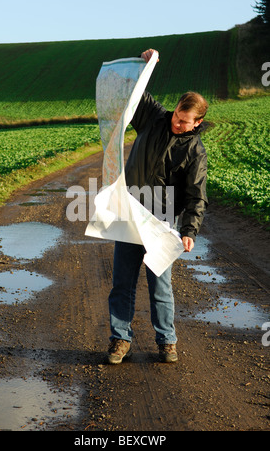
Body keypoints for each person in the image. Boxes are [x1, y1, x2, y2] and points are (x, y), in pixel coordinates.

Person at [107, 49, 209, 364]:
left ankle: (167, 342)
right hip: (129, 212)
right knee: (122, 282)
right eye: (176, 115)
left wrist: (189, 229)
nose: (176, 122)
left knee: (160, 285)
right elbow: (131, 91)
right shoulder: (153, 118)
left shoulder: (195, 151)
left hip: (161, 220)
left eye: (183, 121)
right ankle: (120, 340)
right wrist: (146, 64)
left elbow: (196, 194)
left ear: (197, 122)